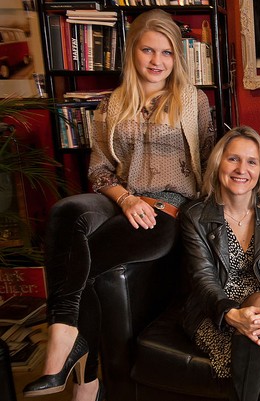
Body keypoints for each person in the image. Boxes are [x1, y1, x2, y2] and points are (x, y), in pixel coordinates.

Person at [23, 9, 215, 401]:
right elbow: (99, 170)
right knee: (66, 212)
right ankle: (65, 336)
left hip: (167, 205)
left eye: (166, 53)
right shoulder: (112, 104)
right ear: (132, 53)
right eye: (147, 50)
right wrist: (125, 199)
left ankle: (83, 369)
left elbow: (208, 167)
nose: (157, 61)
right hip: (118, 197)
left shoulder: (194, 101)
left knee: (85, 261)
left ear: (177, 58)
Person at [180, 126, 260, 401]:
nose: (241, 169)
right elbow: (203, 279)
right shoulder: (195, 215)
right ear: (218, 163)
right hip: (215, 310)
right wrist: (231, 314)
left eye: (251, 162)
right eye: (233, 159)